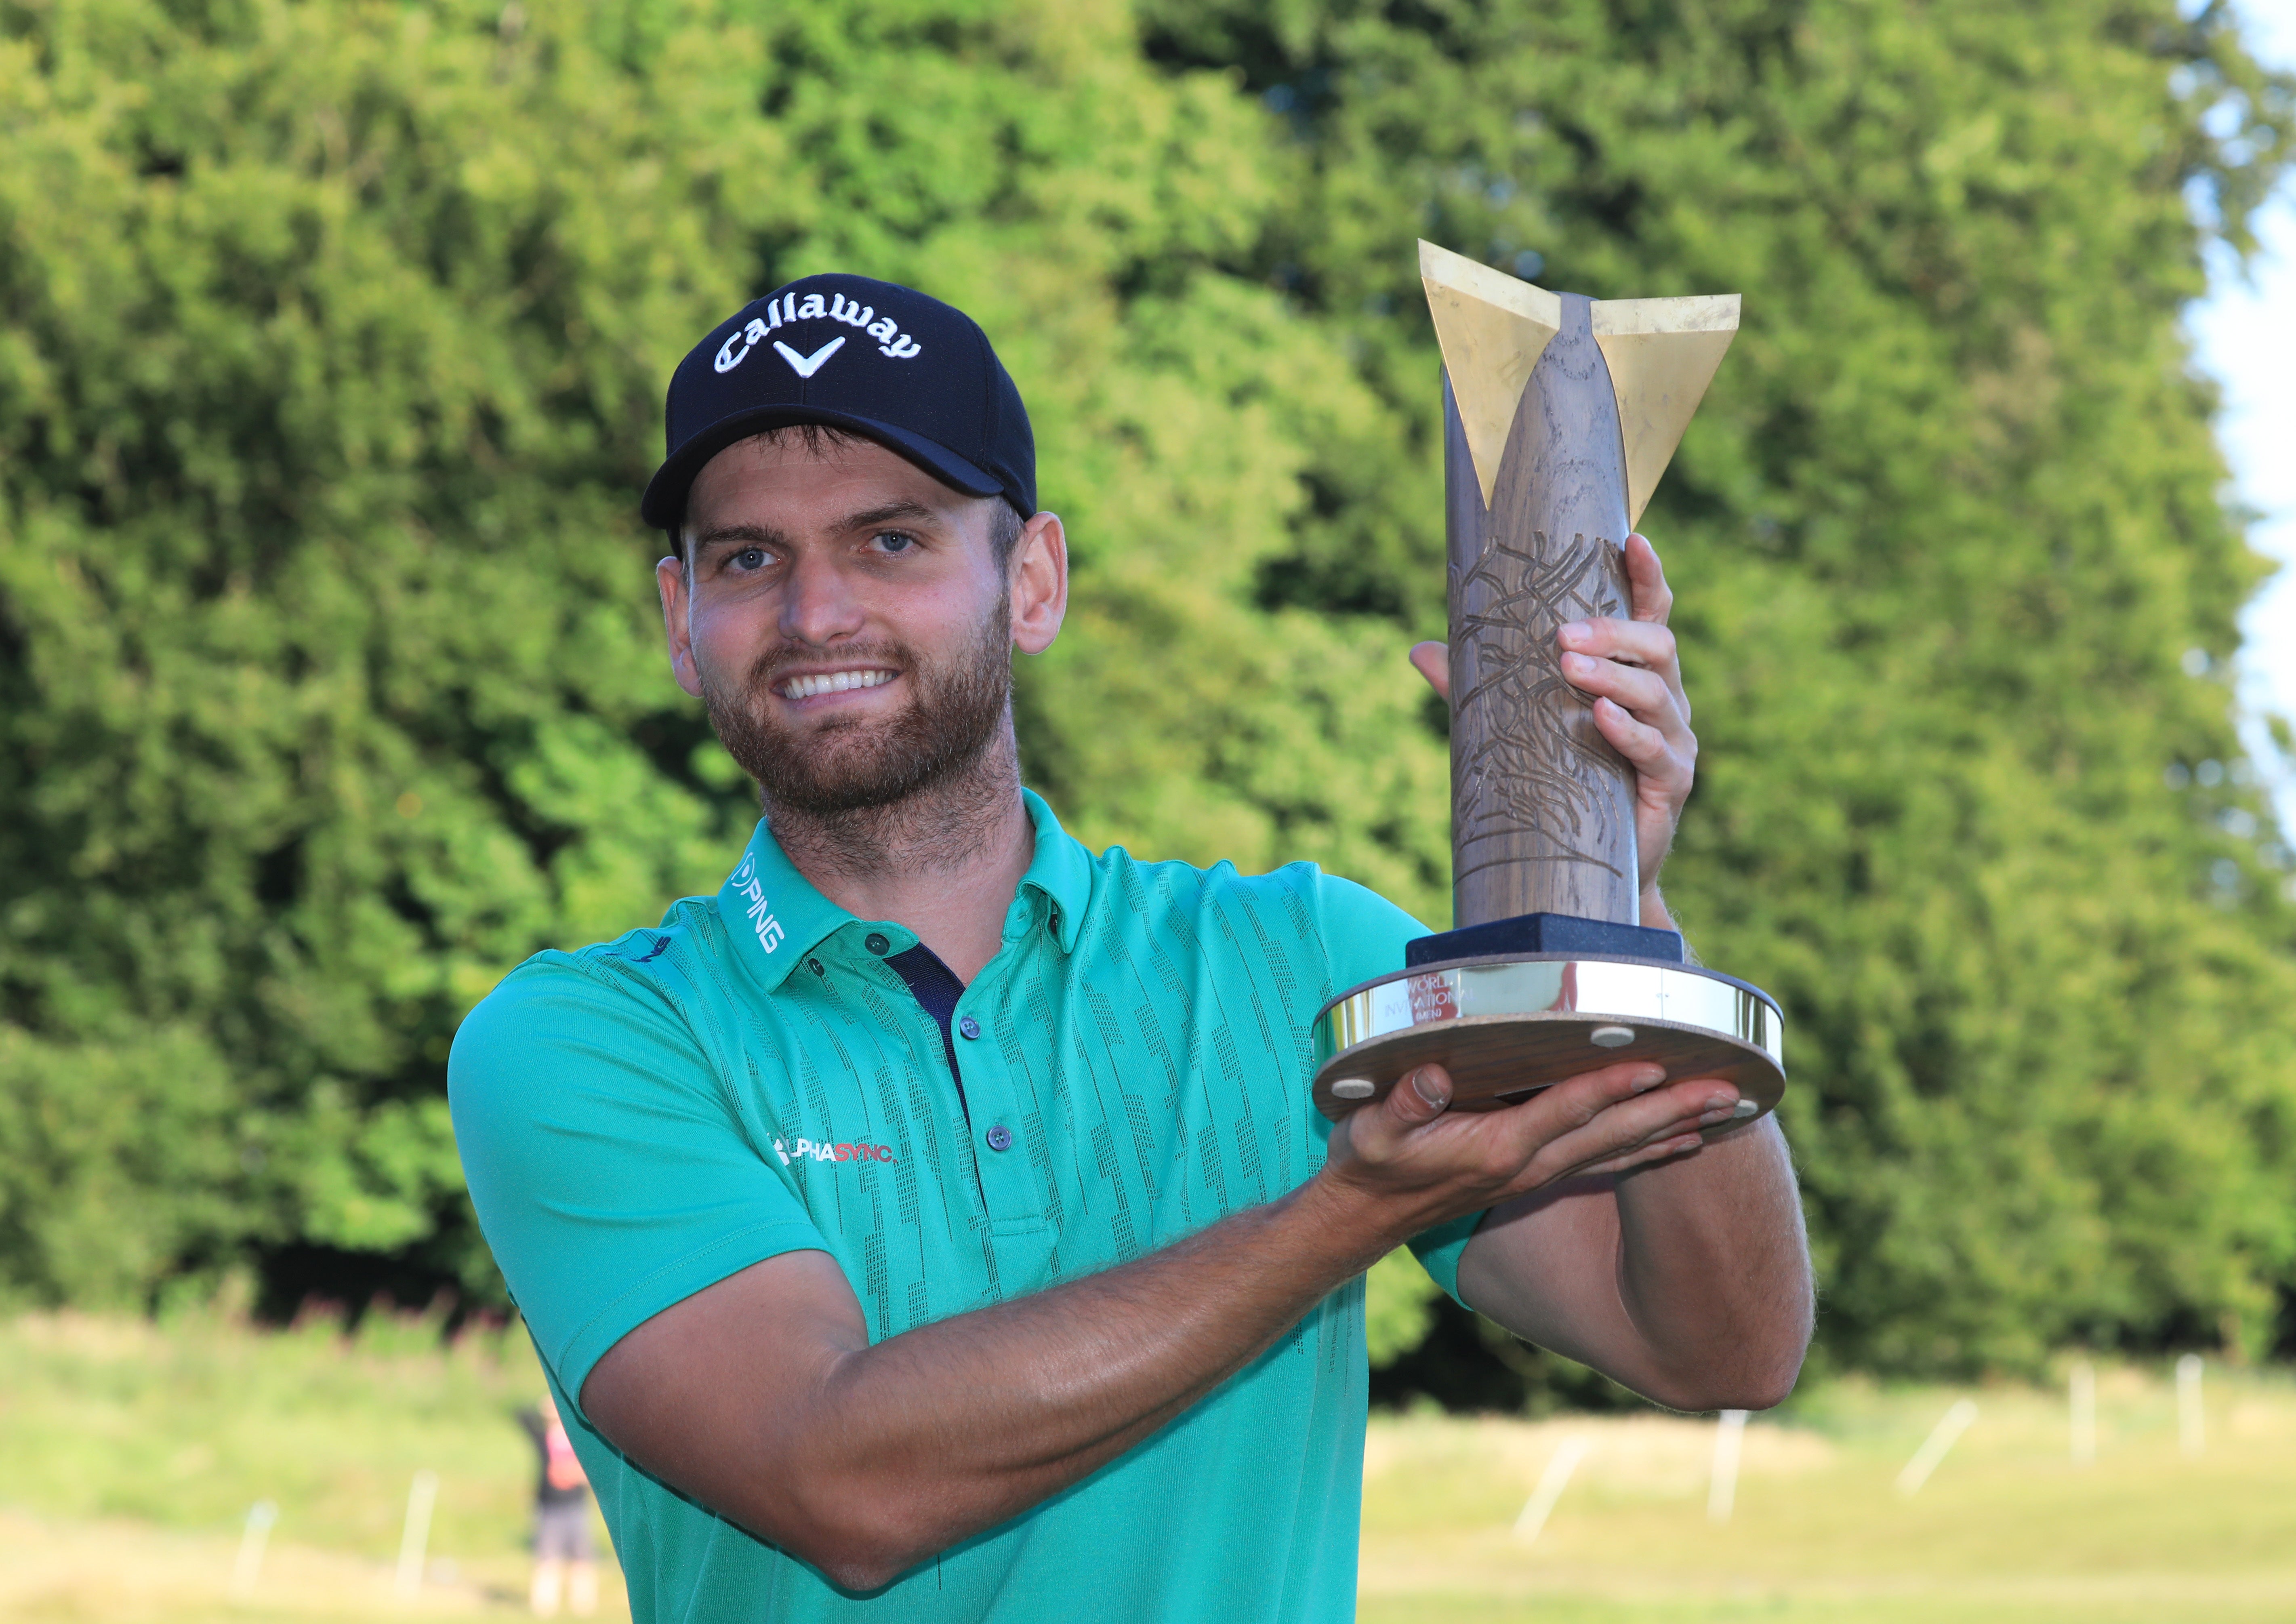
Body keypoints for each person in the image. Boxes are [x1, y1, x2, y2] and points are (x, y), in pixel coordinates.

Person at [450, 273, 1813, 1623]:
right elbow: (834, 1480)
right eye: (749, 557)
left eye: (891, 541)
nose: (816, 614)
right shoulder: (587, 1040)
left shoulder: (1305, 961)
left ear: (1030, 580)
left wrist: (1618, 909)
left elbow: (1718, 1344)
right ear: (681, 622)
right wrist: (1348, 1213)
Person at [517, 1391, 599, 1617]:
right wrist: (547, 1407)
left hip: (576, 1505)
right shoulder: (542, 1438)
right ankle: (544, 1608)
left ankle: (584, 1607)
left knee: (582, 1559)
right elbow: (520, 1415)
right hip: (550, 1508)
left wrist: (574, 1474)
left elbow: (591, 1473)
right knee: (547, 1559)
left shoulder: (578, 1439)